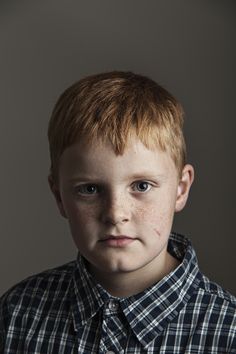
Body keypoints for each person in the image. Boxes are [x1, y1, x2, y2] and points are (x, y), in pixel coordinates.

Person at [0, 71, 235, 353]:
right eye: (89, 189)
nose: (115, 214)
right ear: (59, 196)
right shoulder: (16, 315)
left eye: (142, 185)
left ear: (180, 189)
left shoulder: (228, 332)